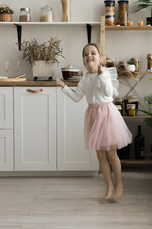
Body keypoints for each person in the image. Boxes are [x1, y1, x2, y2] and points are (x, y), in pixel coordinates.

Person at [56, 43, 132, 200]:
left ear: (100, 58)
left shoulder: (105, 74)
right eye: (85, 54)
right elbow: (77, 98)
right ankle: (109, 184)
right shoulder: (84, 79)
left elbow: (108, 92)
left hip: (107, 114)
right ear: (83, 60)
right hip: (93, 114)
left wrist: (101, 75)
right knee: (100, 155)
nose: (89, 55)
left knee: (111, 153)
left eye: (93, 53)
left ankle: (119, 183)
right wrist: (64, 87)